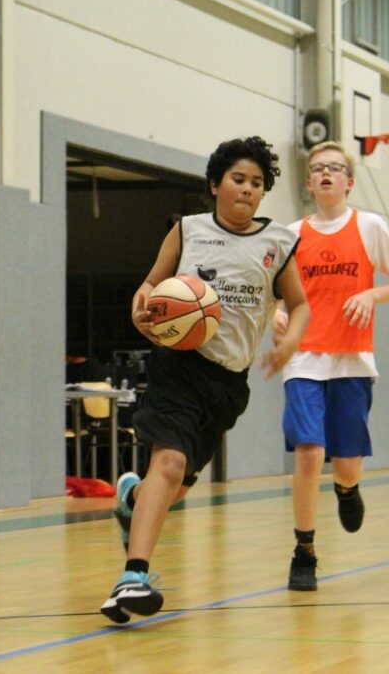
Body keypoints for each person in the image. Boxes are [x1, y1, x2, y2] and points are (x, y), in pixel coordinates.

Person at [100, 136, 310, 624]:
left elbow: (299, 304)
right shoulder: (188, 230)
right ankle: (133, 576)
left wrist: (289, 344)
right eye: (238, 179)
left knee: (177, 483)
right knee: (169, 463)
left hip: (228, 384)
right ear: (215, 184)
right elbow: (150, 285)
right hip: (178, 365)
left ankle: (132, 499)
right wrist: (141, 312)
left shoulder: (278, 243)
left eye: (257, 183)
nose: (248, 189)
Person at [273, 141, 389, 592]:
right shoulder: (291, 234)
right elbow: (276, 294)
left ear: (349, 181)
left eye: (335, 167)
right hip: (304, 357)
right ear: (308, 182)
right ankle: (304, 551)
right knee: (309, 453)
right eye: (318, 168)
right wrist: (276, 313)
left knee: (346, 464)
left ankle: (347, 488)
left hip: (352, 358)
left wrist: (371, 293)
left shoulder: (370, 226)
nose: (326, 173)